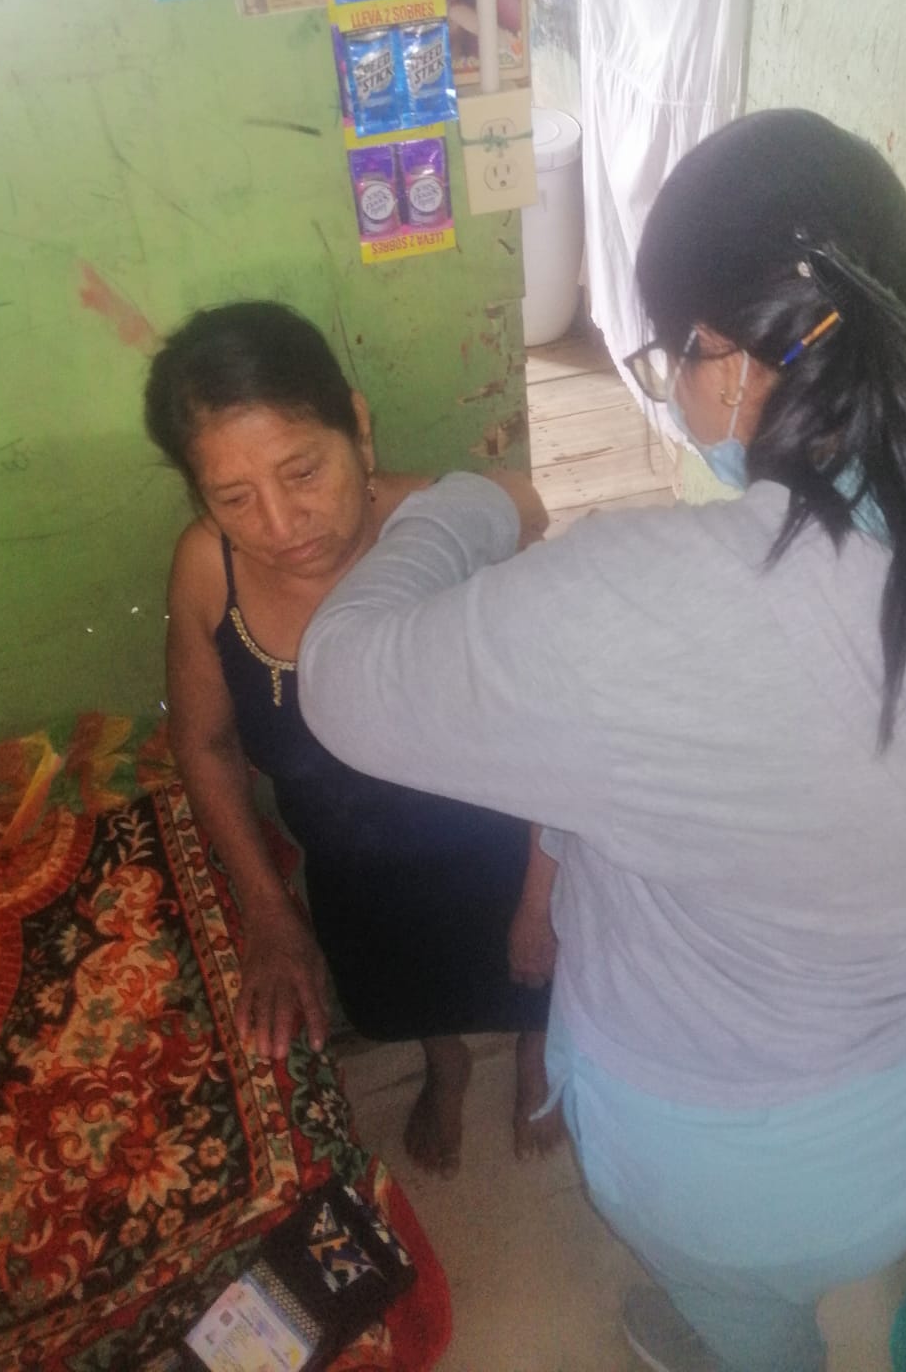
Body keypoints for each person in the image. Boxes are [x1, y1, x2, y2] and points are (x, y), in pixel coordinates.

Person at [295, 110, 906, 1372]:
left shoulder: (645, 608)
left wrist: (467, 503)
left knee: (755, 1328)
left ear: (725, 358)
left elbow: (341, 679)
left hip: (744, 1167)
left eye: (665, 359)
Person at [144, 301, 560, 1178]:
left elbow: (557, 733)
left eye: (302, 471)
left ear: (358, 431)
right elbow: (206, 745)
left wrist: (543, 891)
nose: (281, 523)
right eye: (233, 498)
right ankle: (445, 1063)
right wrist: (268, 909)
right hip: (359, 881)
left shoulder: (449, 534)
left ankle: (536, 1057)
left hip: (503, 858)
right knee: (404, 997)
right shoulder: (208, 569)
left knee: (536, 982)